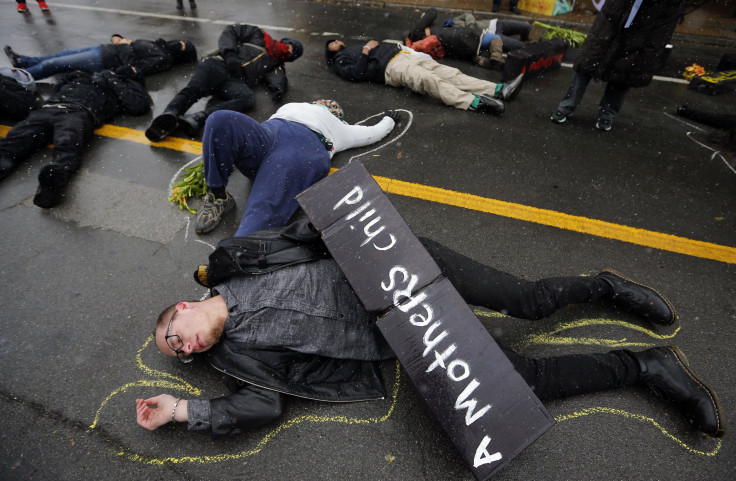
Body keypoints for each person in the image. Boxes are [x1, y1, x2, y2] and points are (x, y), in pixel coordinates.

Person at [135, 234, 724, 441]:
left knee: (524, 301)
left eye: (174, 337)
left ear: (183, 307)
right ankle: (647, 366)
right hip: (407, 337)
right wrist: (183, 409)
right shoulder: (240, 359)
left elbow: (312, 222)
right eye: (179, 354)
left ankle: (604, 286)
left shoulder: (237, 259)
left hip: (404, 269)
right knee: (524, 385)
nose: (185, 348)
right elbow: (262, 405)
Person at [193, 100, 399, 237]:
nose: (329, 104)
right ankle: (218, 195)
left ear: (337, 115)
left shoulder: (340, 128)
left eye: (334, 107)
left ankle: (236, 255)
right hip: (268, 136)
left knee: (263, 208)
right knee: (220, 120)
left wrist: (389, 120)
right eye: (327, 102)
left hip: (302, 147)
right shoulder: (290, 107)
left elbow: (372, 133)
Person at [0, 66, 151, 208]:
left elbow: (138, 106)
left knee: (67, 146)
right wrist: (75, 75)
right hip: (49, 109)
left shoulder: (121, 86)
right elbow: (59, 87)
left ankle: (52, 183)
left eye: (133, 69)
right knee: (12, 143)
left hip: (78, 112)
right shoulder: (85, 77)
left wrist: (113, 78)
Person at [145, 24, 303, 142]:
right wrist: (230, 54)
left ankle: (197, 118)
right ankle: (168, 117)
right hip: (219, 64)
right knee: (194, 90)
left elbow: (278, 77)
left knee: (247, 99)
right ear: (285, 42)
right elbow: (231, 31)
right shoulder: (259, 35)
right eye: (289, 47)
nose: (288, 51)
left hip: (234, 80)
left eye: (291, 54)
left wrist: (278, 89)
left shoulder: (275, 63)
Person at [550, 0, 687, 131]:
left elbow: (667, 20)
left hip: (644, 30)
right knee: (587, 65)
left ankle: (607, 115)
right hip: (611, 21)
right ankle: (566, 107)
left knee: (623, 73)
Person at [325, 38, 524, 116]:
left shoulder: (352, 48)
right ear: (330, 52)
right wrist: (367, 49)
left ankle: (499, 89)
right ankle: (474, 102)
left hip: (403, 56)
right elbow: (356, 74)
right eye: (331, 43)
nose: (336, 41)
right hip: (391, 68)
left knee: (452, 74)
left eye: (335, 39)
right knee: (429, 81)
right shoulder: (339, 60)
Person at [4, 35, 197, 80]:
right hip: (103, 49)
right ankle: (24, 62)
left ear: (181, 54)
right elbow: (130, 46)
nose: (178, 42)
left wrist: (123, 46)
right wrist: (118, 37)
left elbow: (133, 66)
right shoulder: (159, 45)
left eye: (181, 45)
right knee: (59, 55)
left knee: (55, 64)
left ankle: (16, 80)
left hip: (103, 60)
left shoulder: (163, 60)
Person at [403, 8, 530, 70]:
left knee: (526, 27)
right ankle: (492, 58)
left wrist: (469, 24)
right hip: (479, 37)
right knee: (519, 47)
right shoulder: (436, 36)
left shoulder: (447, 24)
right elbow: (430, 13)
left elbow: (468, 15)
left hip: (491, 26)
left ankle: (485, 59)